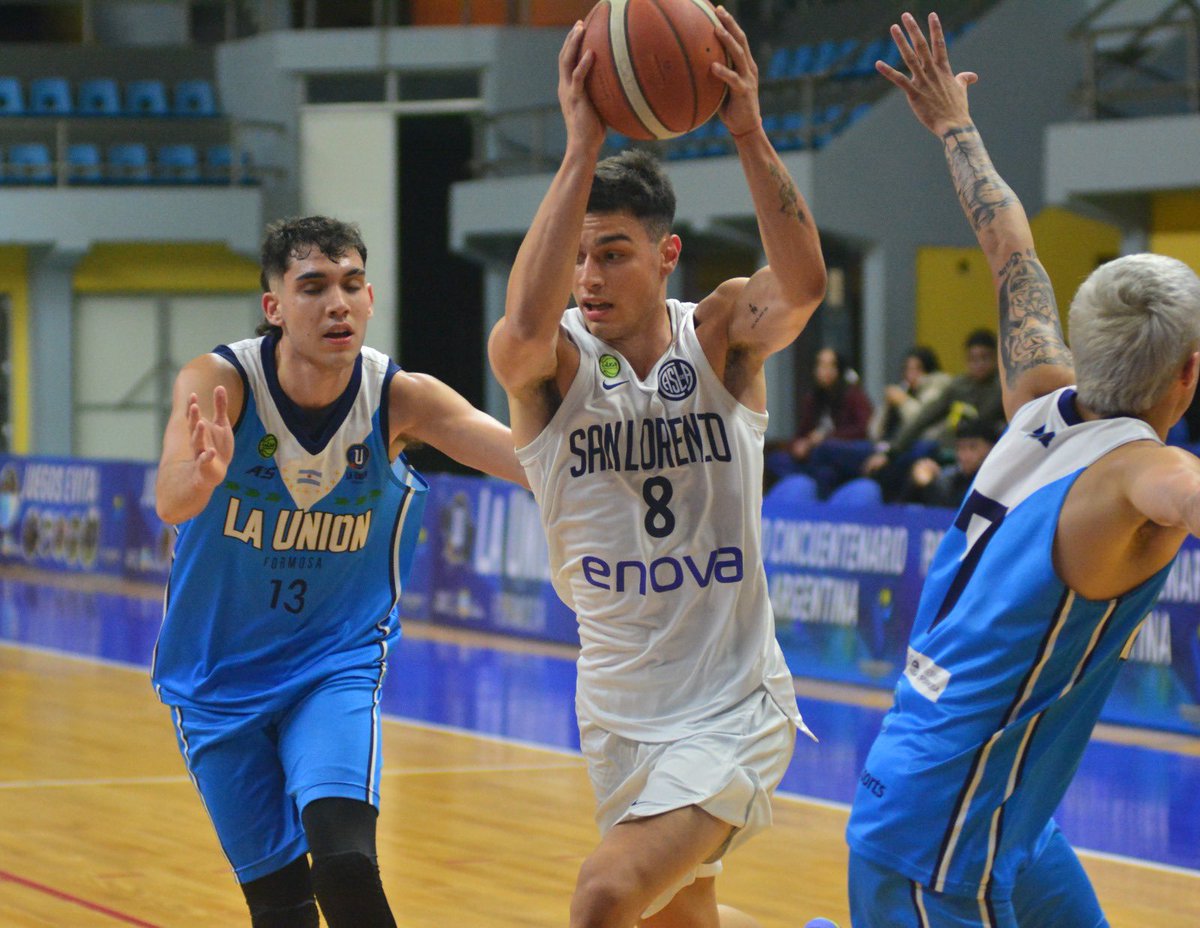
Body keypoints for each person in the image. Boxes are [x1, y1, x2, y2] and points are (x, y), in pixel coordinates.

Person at [845, 13, 1200, 928]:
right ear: (1188, 373)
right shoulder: (1139, 480)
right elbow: (1182, 491)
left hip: (1002, 812)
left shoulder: (1040, 396)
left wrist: (953, 126)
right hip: (941, 832)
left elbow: (1009, 245)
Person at [488, 9, 826, 928]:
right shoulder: (548, 367)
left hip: (732, 703)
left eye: (614, 254)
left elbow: (800, 287)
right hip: (618, 710)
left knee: (604, 897)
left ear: (667, 256)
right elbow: (520, 328)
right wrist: (578, 148)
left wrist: (749, 132)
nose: (589, 278)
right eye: (582, 256)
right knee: (676, 919)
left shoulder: (718, 335)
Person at [152, 216, 526, 928]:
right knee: (283, 910)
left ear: (370, 297)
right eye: (314, 286)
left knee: (347, 866)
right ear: (274, 308)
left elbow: (528, 462)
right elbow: (171, 498)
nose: (337, 304)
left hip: (333, 664)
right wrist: (202, 478)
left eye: (352, 284)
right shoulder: (218, 381)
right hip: (214, 680)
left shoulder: (400, 397)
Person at [863, 328, 1004, 500]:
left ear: (996, 359)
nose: (979, 364)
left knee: (928, 454)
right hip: (951, 451)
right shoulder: (959, 386)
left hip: (989, 458)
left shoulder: (1003, 389)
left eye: (985, 358)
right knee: (913, 460)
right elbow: (923, 419)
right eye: (973, 359)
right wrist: (890, 452)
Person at [765, 346, 873, 496]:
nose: (825, 371)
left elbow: (863, 429)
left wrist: (825, 438)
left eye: (830, 366)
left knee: (826, 451)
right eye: (821, 365)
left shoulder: (854, 395)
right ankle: (805, 487)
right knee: (776, 459)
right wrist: (798, 445)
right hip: (815, 456)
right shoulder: (813, 398)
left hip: (843, 450)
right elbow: (803, 431)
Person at [897, 414, 997, 509]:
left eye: (972, 447)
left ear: (991, 448)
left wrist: (930, 486)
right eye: (960, 448)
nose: (965, 456)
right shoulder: (952, 478)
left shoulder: (996, 480)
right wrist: (919, 484)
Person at [867, 345, 952, 449]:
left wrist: (903, 402)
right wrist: (887, 408)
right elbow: (874, 433)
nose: (911, 375)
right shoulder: (903, 390)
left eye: (918, 369)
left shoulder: (936, 388)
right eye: (907, 369)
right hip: (890, 444)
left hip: (920, 445)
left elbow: (923, 423)